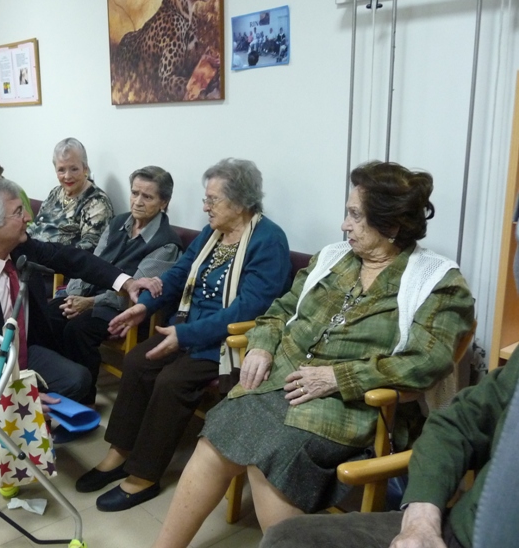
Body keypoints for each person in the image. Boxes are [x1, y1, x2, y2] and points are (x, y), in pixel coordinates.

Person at [152, 161, 476, 547]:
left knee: (273, 457)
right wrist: (261, 344)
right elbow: (279, 310)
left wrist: (339, 377)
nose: (344, 225)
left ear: (390, 225)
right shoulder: (333, 258)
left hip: (349, 404)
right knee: (215, 436)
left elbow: (428, 361)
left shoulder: (437, 282)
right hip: (279, 382)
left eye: (355, 215)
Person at [76, 158, 292, 512]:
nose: (205, 206)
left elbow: (248, 310)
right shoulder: (212, 233)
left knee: (171, 381)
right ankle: (120, 452)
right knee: (138, 360)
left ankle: (144, 475)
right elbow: (177, 275)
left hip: (228, 343)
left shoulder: (268, 241)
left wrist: (186, 334)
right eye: (206, 199)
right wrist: (144, 307)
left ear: (240, 202)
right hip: (188, 327)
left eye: (212, 200)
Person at [0, 178, 141, 466]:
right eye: (18, 212)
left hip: (20, 353)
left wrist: (125, 282)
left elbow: (69, 258)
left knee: (77, 379)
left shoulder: (15, 247)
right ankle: (6, 430)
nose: (29, 217)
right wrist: (15, 399)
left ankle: (27, 431)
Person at [260, 347, 519, 548]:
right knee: (286, 539)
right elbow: (459, 422)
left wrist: (341, 376)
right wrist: (422, 517)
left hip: (358, 405)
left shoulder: (441, 295)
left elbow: (428, 361)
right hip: (462, 526)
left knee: (280, 444)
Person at [46, 165, 183, 405]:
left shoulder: (166, 243)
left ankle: (83, 399)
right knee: (48, 314)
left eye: (147, 197)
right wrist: (72, 296)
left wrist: (89, 303)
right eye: (135, 193)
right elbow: (91, 264)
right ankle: (56, 387)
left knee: (78, 329)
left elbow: (136, 293)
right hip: (90, 298)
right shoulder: (118, 222)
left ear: (164, 202)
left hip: (125, 309)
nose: (137, 202)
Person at [26, 137, 113, 252]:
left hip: (56, 261)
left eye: (74, 169)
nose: (67, 176)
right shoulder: (56, 192)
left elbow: (88, 248)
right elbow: (36, 225)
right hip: (30, 253)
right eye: (61, 170)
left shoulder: (97, 202)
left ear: (85, 168)